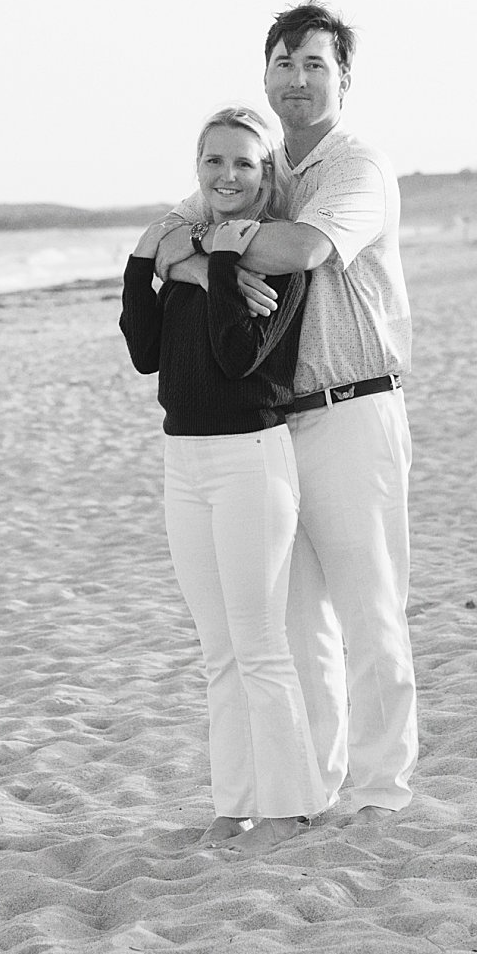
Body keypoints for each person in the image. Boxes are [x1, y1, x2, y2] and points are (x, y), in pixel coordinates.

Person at [156, 0, 417, 819]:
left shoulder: (353, 168)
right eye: (282, 63)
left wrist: (217, 244)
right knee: (298, 622)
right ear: (263, 74)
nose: (296, 79)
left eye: (314, 65)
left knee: (368, 607)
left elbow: (303, 248)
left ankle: (382, 793)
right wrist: (204, 249)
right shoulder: (262, 168)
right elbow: (162, 240)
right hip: (269, 425)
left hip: (350, 408)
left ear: (342, 79)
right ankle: (320, 785)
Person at [120, 107, 329, 850]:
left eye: (244, 163)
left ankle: (287, 804)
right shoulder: (194, 255)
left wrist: (208, 267)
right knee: (218, 651)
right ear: (197, 169)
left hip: (249, 459)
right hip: (184, 463)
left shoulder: (275, 267)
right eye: (213, 162)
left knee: (258, 644)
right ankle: (232, 803)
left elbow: (238, 357)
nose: (227, 176)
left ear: (265, 173)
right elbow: (145, 351)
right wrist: (147, 262)